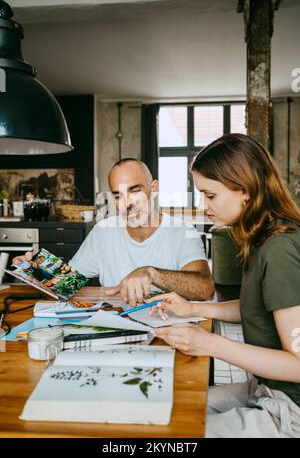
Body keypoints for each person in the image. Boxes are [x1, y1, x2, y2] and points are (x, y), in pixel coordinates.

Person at [146, 134, 300, 438]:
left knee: (172, 433)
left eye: (210, 195)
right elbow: (255, 307)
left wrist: (211, 344)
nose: (204, 206)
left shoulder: (279, 248)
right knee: (169, 406)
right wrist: (194, 308)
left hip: (291, 410)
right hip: (266, 388)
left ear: (244, 189)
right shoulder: (261, 236)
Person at [13, 158, 214, 305]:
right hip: (116, 329)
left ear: (154, 189)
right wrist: (36, 271)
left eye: (135, 191)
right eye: (118, 196)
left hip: (169, 332)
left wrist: (151, 274)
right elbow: (67, 285)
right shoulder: (103, 232)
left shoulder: (182, 231)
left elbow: (205, 289)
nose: (127, 204)